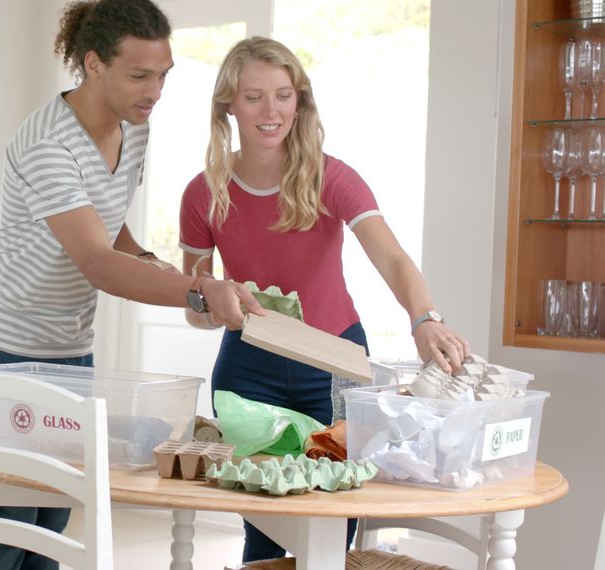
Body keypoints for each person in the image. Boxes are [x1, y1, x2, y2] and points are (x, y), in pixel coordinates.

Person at [0, 2, 264, 569]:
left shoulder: (133, 128)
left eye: (164, 73)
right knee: (7, 531)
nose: (155, 90)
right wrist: (198, 289)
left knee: (55, 517)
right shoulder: (48, 142)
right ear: (93, 65)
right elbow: (96, 261)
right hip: (1, 344)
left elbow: (102, 219)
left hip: (70, 346)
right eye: (139, 75)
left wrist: (150, 261)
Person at [178, 36, 471, 563]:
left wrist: (424, 319)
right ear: (228, 104)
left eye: (284, 95)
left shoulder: (330, 176)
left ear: (300, 100)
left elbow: (393, 258)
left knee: (335, 519)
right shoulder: (203, 194)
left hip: (334, 365)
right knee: (265, 523)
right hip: (249, 372)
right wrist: (209, 301)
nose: (272, 111)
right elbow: (193, 306)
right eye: (254, 97)